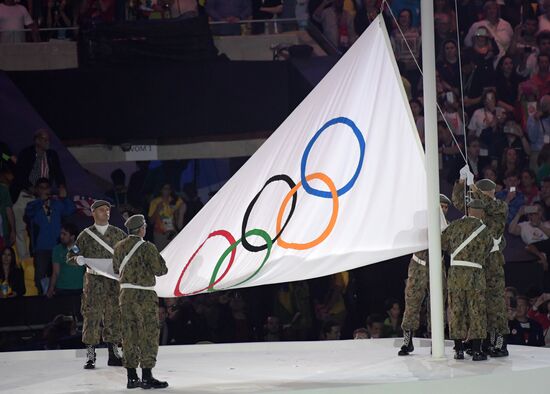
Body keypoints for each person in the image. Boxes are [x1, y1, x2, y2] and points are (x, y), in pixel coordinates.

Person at [67, 200, 126, 369]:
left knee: (114, 315)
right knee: (91, 316)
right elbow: (71, 254)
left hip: (113, 282)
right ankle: (91, 354)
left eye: (108, 210)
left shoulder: (118, 234)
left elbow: (126, 254)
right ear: (93, 213)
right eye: (101, 210)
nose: (106, 213)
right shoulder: (85, 235)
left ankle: (113, 353)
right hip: (93, 282)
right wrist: (77, 259)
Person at [455, 178, 510, 356]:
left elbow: (486, 205)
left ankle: (501, 340)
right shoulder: (479, 207)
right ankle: (483, 340)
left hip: (492, 261)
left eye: (483, 193)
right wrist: (461, 183)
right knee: (479, 302)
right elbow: (458, 202)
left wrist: (474, 189)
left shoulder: (499, 206)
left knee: (496, 303)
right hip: (477, 261)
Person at [113, 214, 168, 389]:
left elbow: (116, 269)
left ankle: (131, 378)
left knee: (128, 335)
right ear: (141, 229)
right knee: (148, 335)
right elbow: (161, 270)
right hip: (144, 296)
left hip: (125, 295)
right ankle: (147, 377)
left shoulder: (119, 247)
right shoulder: (147, 247)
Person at [441, 198, 494, 361]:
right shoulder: (484, 230)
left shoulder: (454, 225)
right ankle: (477, 350)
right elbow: (489, 249)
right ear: (482, 212)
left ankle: (458, 350)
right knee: (476, 311)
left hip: (456, 273)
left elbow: (444, 244)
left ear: (468, 210)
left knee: (456, 310)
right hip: (475, 274)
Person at [399, 194, 451, 356]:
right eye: (440, 206)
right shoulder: (421, 224)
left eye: (445, 207)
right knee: (412, 302)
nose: (442, 209)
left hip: (437, 267)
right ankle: (407, 341)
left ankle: (436, 341)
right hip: (419, 266)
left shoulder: (447, 227)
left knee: (437, 305)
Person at [24, 177, 74, 294]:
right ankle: (42, 299)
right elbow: (28, 213)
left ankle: (58, 299)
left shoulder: (57, 204)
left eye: (46, 188)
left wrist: (65, 197)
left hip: (57, 246)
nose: (44, 190)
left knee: (59, 275)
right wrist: (41, 200)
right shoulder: (32, 205)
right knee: (40, 276)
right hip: (41, 248)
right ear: (37, 190)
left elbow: (71, 209)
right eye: (41, 188)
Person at [47, 222, 85, 297]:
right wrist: (51, 288)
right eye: (61, 233)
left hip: (79, 288)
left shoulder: (82, 249)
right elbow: (55, 272)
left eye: (64, 234)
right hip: (62, 288)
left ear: (72, 236)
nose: (61, 236)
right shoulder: (57, 249)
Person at [147, 183, 185, 251]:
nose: (167, 191)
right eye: (165, 189)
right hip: (160, 235)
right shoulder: (155, 202)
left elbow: (180, 217)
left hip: (172, 233)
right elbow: (151, 221)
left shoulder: (176, 201)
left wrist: (177, 212)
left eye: (168, 189)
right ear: (161, 190)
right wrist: (157, 210)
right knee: (162, 256)